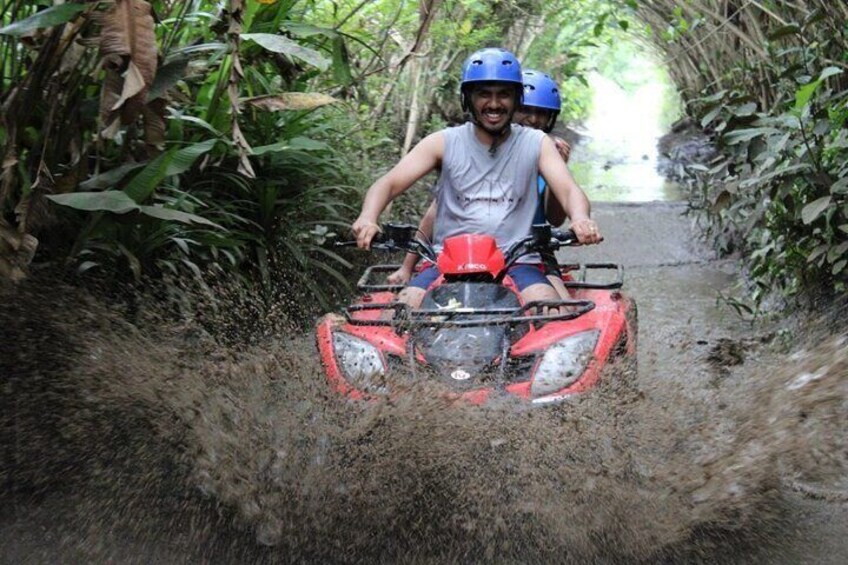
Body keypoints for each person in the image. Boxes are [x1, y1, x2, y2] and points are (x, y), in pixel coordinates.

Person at [351, 47, 601, 310]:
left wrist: (581, 218)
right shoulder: (442, 142)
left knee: (549, 310)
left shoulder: (537, 143)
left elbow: (568, 189)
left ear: (516, 99)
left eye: (503, 94)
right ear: (468, 98)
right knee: (403, 311)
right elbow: (387, 184)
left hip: (517, 261)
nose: (494, 104)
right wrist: (368, 217)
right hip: (445, 262)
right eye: (484, 94)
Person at [386, 68, 573, 286]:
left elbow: (557, 216)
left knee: (555, 300)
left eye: (541, 113)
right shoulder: (472, 148)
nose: (532, 119)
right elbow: (434, 213)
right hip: (470, 254)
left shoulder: (544, 151)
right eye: (526, 110)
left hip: (530, 254)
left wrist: (560, 170)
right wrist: (407, 267)